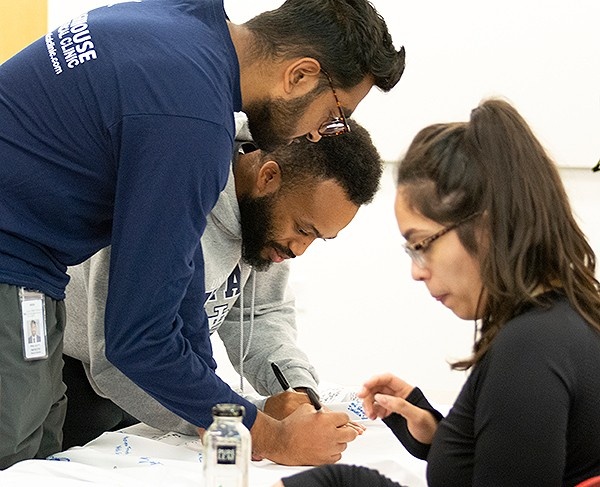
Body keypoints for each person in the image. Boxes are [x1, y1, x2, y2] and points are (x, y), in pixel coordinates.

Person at [0, 0, 406, 469]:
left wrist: (225, 410)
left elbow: (182, 291)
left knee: (39, 464)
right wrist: (268, 436)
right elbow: (139, 337)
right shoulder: (190, 118)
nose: (322, 134)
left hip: (35, 271)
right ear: (299, 75)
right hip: (13, 261)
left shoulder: (185, 27)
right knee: (14, 461)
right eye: (335, 114)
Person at [275, 98, 600, 486]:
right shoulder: (567, 319)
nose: (416, 271)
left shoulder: (530, 346)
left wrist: (351, 482)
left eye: (422, 244)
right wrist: (441, 435)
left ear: (485, 226)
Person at [61, 115, 382, 448]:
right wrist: (255, 420)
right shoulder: (174, 196)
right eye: (302, 229)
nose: (299, 249)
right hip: (67, 377)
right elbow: (123, 352)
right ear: (268, 176)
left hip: (158, 393)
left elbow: (259, 314)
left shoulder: (263, 220)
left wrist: (296, 389)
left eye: (319, 237)